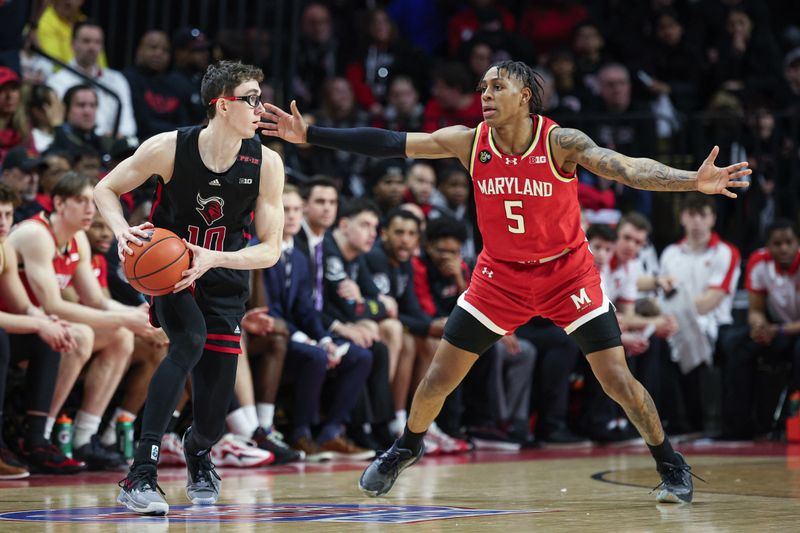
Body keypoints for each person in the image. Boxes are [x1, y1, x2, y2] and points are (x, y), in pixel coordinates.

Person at [260, 59, 751, 504]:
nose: (486, 95)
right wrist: (312, 134)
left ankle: (670, 462)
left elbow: (627, 169)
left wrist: (693, 180)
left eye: (497, 86)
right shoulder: (469, 141)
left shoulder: (561, 142)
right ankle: (406, 446)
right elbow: (392, 143)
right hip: (499, 277)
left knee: (617, 380)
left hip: (567, 273)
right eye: (482, 87)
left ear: (526, 96)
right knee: (438, 377)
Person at [94, 60, 284, 515]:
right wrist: (123, 231)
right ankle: (141, 472)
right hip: (169, 272)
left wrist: (215, 258)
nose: (261, 106)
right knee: (188, 340)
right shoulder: (168, 148)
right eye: (251, 98)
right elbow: (105, 189)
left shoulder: (266, 163)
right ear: (222, 106)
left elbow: (271, 249)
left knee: (213, 417)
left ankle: (198, 451)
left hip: (223, 274)